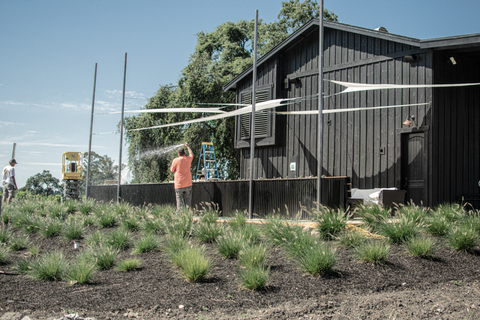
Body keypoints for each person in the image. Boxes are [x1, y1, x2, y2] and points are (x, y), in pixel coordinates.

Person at [170, 143, 193, 211]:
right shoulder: (188, 159)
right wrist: (188, 146)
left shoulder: (175, 160)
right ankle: (189, 216)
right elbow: (191, 154)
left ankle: (180, 217)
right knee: (188, 203)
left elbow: (171, 170)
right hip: (188, 184)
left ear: (178, 153)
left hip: (179, 185)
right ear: (184, 152)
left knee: (179, 204)